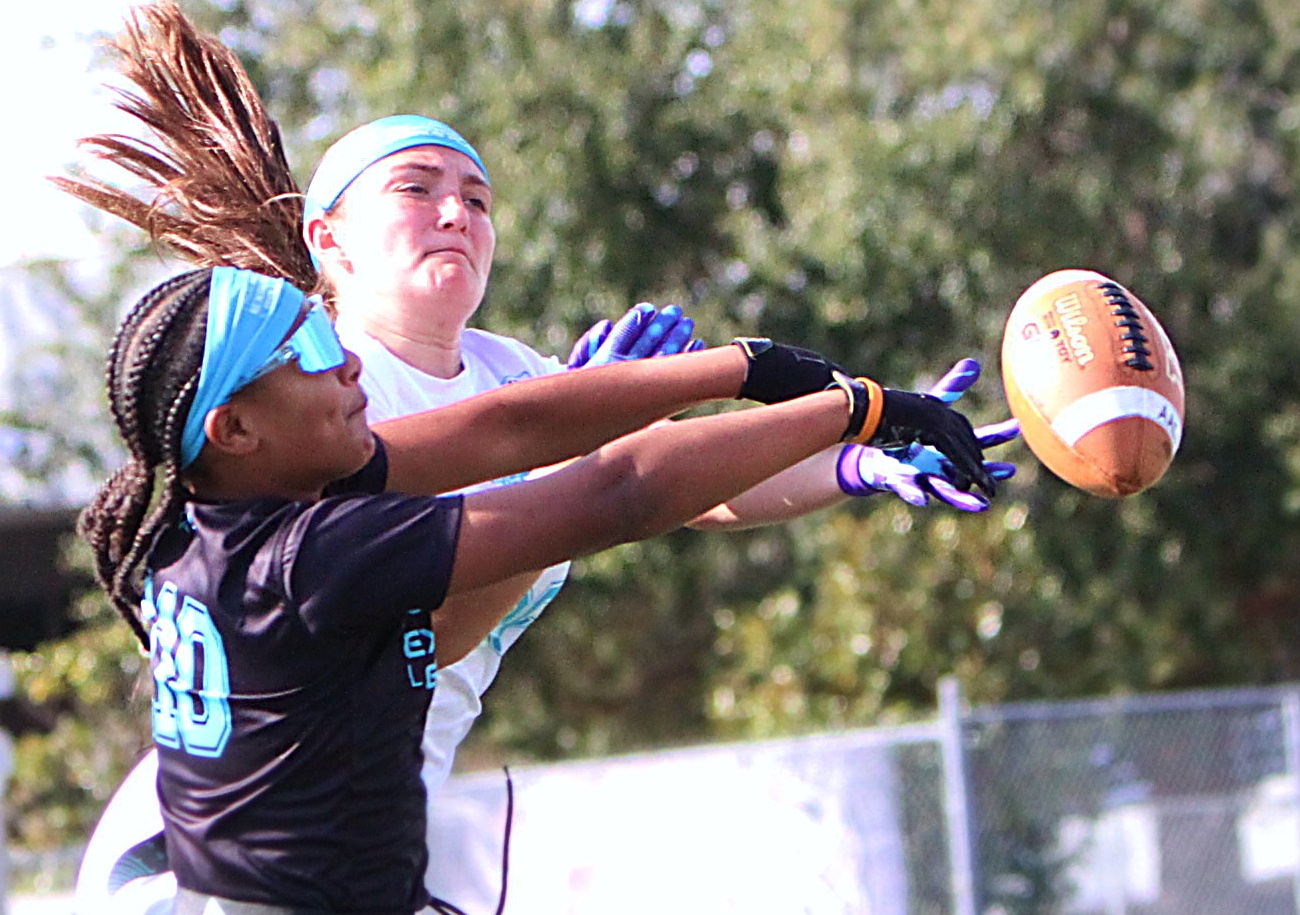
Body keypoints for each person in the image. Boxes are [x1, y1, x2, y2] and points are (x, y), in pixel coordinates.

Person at [56, 4, 1016, 912]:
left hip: (298, 851)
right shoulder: (334, 438)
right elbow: (587, 507)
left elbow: (596, 453)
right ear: (326, 240)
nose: (456, 212)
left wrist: (852, 451)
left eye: (476, 195)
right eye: (416, 187)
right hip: (213, 872)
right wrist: (841, 404)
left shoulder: (405, 399)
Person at [81, 260, 991, 914]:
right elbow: (618, 489)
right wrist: (860, 408)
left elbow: (508, 424)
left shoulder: (231, 511)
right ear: (235, 428)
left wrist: (751, 367)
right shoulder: (307, 556)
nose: (347, 361)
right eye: (311, 349)